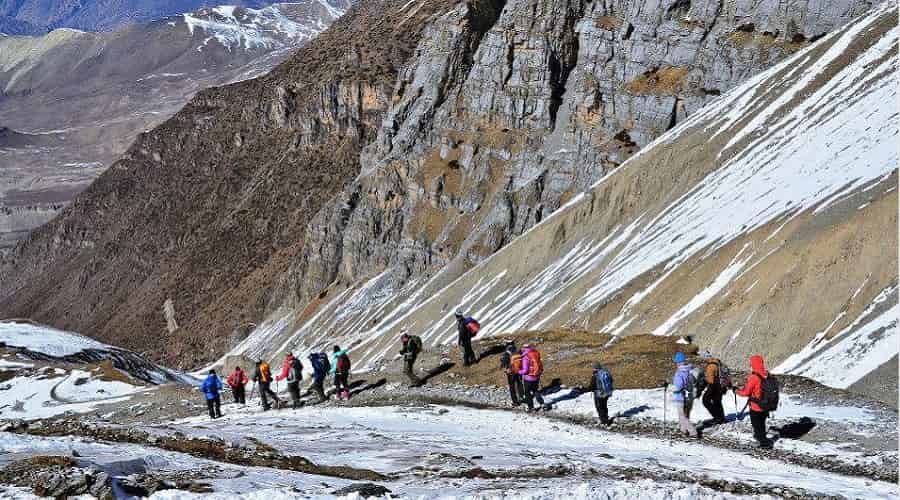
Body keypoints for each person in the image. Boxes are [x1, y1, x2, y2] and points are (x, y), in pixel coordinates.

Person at [735, 355, 774, 449]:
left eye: (751, 364)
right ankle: (761, 438)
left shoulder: (753, 377)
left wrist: (736, 391)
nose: (750, 365)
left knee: (757, 425)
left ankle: (763, 443)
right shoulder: (767, 374)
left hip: (756, 406)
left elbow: (746, 392)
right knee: (762, 423)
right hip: (766, 405)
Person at [671, 352, 698, 438]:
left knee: (682, 416)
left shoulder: (679, 373)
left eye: (676, 362)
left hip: (680, 397)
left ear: (679, 362)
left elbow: (678, 386)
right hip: (688, 396)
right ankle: (683, 430)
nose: (676, 364)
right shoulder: (688, 370)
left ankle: (693, 432)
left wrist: (672, 389)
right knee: (683, 414)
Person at [700, 350, 727, 424]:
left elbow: (710, 380)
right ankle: (721, 418)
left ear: (706, 358)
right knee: (717, 402)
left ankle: (717, 417)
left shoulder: (710, 366)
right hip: (721, 386)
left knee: (705, 400)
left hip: (714, 386)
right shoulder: (717, 363)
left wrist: (704, 386)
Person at [518, 344, 545, 412]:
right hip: (536, 376)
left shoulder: (525, 357)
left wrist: (518, 371)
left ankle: (531, 407)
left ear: (524, 349)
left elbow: (525, 370)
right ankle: (542, 404)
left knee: (527, 393)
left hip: (528, 378)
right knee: (535, 390)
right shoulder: (535, 353)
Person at [499, 341, 524, 406]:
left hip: (511, 372)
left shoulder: (507, 353)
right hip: (518, 370)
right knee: (519, 383)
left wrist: (502, 365)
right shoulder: (518, 351)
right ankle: (522, 397)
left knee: (512, 386)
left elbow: (503, 362)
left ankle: (515, 401)